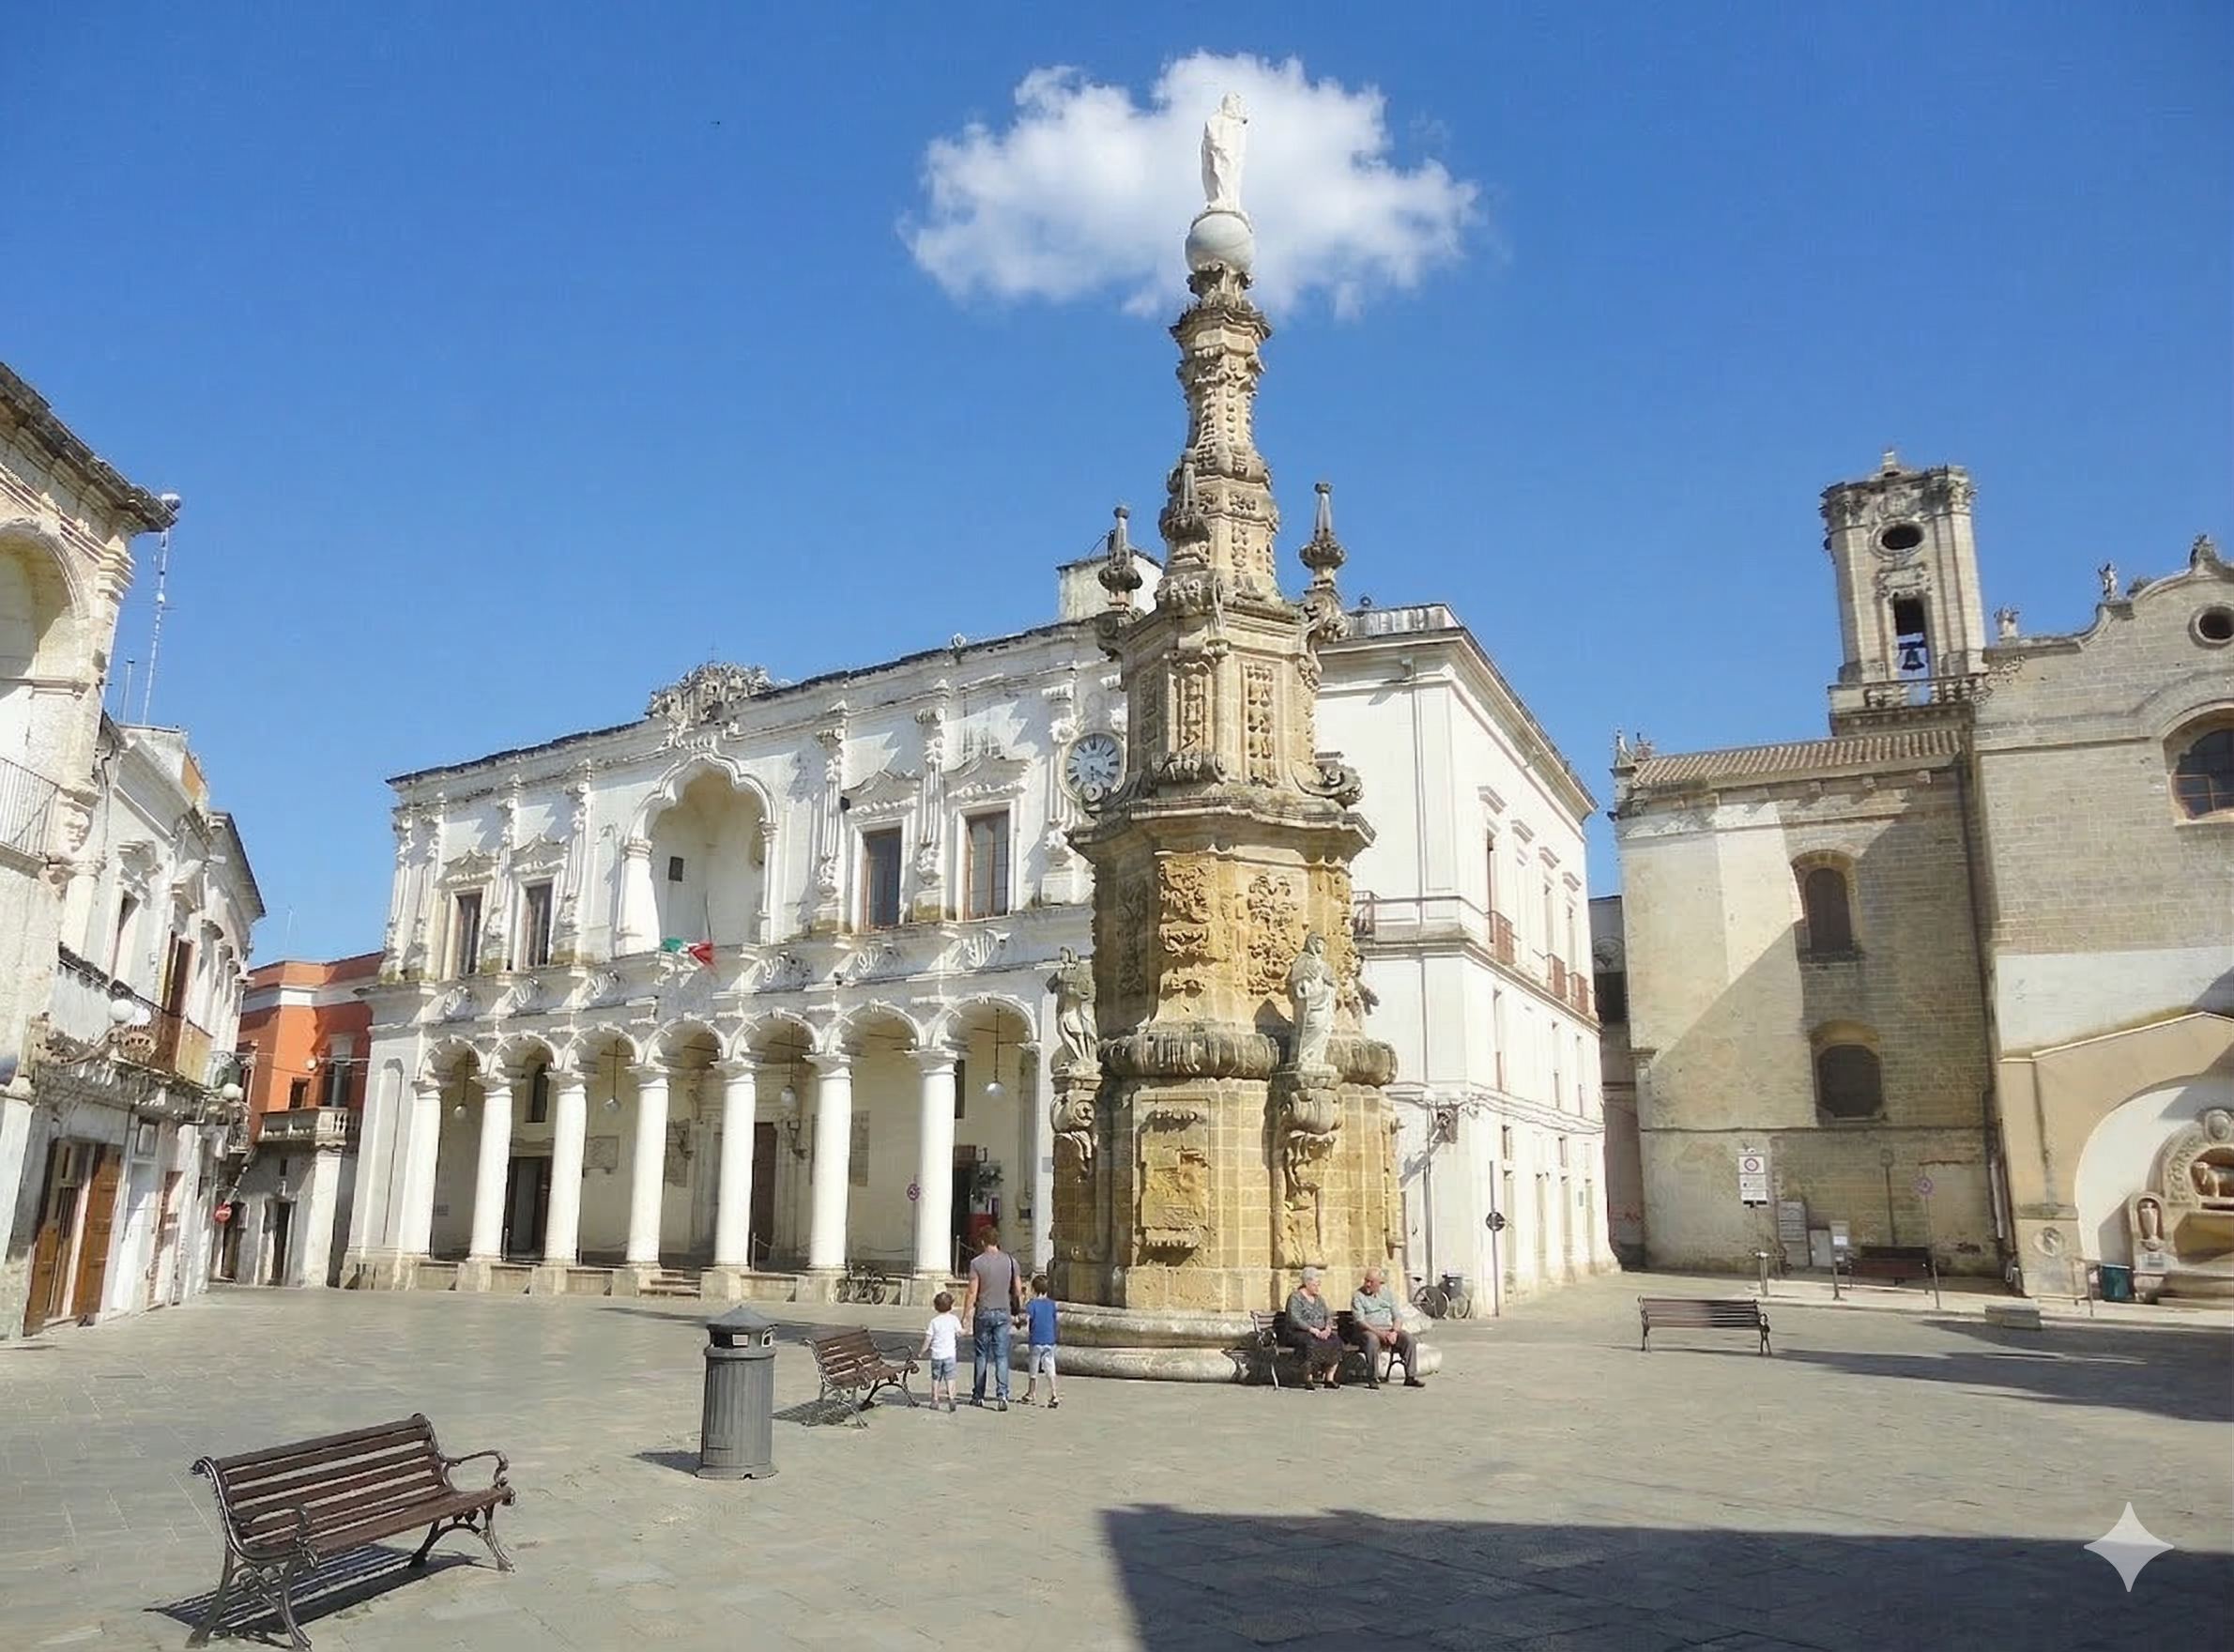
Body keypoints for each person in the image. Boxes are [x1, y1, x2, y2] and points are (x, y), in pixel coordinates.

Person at [963, 1227, 1023, 1411]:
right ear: (997, 1241)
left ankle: (978, 1395)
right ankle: (1002, 1394)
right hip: (1003, 1311)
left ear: (982, 1241)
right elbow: (1018, 1289)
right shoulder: (1011, 1262)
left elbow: (972, 1291)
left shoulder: (976, 1263)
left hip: (984, 1310)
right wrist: (1017, 1309)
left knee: (981, 1354)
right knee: (1001, 1355)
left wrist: (966, 1314)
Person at [1349, 1267, 1425, 1389]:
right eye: (1366, 1281)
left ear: (1379, 1283)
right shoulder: (1358, 1296)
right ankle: (1372, 1377)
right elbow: (1360, 1321)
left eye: (1371, 1282)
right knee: (1372, 1340)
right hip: (1368, 1330)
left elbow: (1398, 1316)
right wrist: (1380, 1334)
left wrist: (1394, 1332)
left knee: (1408, 1339)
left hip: (1388, 1329)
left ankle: (1410, 1377)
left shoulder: (1387, 1293)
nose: (1367, 1284)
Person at [1281, 1265, 1347, 1389]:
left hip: (1320, 1331)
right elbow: (1294, 1319)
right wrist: (1312, 1329)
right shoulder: (1295, 1298)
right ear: (1307, 1283)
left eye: (1318, 1284)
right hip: (1299, 1332)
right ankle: (1308, 1377)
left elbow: (1327, 1315)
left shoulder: (1319, 1299)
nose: (1318, 1287)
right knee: (1310, 1343)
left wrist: (1327, 1328)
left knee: (1336, 1341)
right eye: (1315, 1284)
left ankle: (1329, 1378)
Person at [919, 1290, 964, 1414]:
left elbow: (928, 1338)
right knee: (950, 1378)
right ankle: (952, 1397)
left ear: (935, 1307)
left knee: (936, 1378)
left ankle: (934, 1400)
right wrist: (967, 1329)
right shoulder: (954, 1319)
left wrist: (922, 1351)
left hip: (937, 1355)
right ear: (951, 1306)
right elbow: (960, 1333)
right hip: (950, 1355)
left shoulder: (934, 1322)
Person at [1020, 1275, 1061, 1409]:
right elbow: (1054, 1320)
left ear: (1033, 1289)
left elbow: (1026, 1320)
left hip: (1036, 1339)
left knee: (1033, 1368)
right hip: (1049, 1340)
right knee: (1050, 1368)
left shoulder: (1031, 1304)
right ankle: (1054, 1394)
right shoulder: (1051, 1304)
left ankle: (1031, 1393)